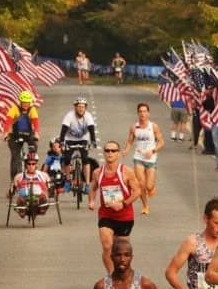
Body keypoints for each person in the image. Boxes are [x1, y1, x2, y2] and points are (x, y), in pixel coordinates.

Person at [91, 141, 142, 274]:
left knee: (122, 251)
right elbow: (93, 188)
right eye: (107, 150)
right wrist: (91, 201)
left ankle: (123, 274)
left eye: (113, 151)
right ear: (104, 153)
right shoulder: (97, 172)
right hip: (106, 214)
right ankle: (111, 275)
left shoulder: (127, 171)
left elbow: (137, 191)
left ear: (118, 153)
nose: (110, 153)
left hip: (124, 216)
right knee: (107, 245)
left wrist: (123, 203)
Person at [124, 103, 164, 216]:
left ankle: (151, 188)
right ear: (138, 113)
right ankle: (145, 206)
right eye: (140, 111)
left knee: (149, 186)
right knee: (141, 184)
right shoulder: (134, 127)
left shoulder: (153, 126)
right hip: (139, 158)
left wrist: (153, 151)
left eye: (144, 111)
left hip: (151, 158)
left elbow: (161, 142)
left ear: (148, 113)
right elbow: (130, 141)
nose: (142, 114)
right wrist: (126, 150)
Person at [58, 97, 99, 191]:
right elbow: (63, 130)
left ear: (85, 108)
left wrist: (93, 141)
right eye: (79, 107)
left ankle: (87, 184)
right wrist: (62, 142)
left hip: (83, 139)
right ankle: (68, 180)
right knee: (67, 158)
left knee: (85, 159)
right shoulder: (69, 116)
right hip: (70, 139)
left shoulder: (88, 116)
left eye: (83, 107)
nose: (81, 109)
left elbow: (91, 130)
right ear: (75, 107)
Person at [3, 89, 39, 180]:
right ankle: (14, 180)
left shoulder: (32, 109)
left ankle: (32, 170)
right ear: (20, 102)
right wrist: (6, 133)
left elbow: (35, 121)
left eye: (27, 102)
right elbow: (8, 120)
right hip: (14, 135)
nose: (25, 105)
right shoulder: (14, 108)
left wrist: (36, 133)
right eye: (24, 102)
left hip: (29, 134)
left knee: (33, 152)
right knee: (15, 157)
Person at [8, 151, 51, 218]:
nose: (31, 166)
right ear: (25, 165)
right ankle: (22, 210)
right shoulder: (19, 176)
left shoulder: (44, 175)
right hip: (24, 197)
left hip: (39, 197)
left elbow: (50, 189)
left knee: (43, 197)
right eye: (29, 164)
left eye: (33, 164)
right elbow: (9, 193)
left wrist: (52, 189)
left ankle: (42, 208)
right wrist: (11, 191)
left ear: (36, 164)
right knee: (20, 199)